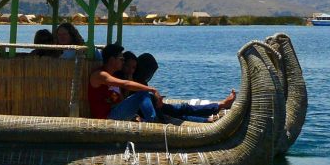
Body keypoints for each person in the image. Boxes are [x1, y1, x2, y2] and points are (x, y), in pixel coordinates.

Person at [88, 43, 236, 123]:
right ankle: (153, 123)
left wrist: (133, 116)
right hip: (107, 119)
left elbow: (120, 101)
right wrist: (152, 89)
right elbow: (125, 84)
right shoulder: (101, 75)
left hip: (117, 113)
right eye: (120, 59)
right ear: (112, 59)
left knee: (174, 108)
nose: (122, 61)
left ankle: (212, 114)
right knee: (144, 94)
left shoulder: (114, 76)